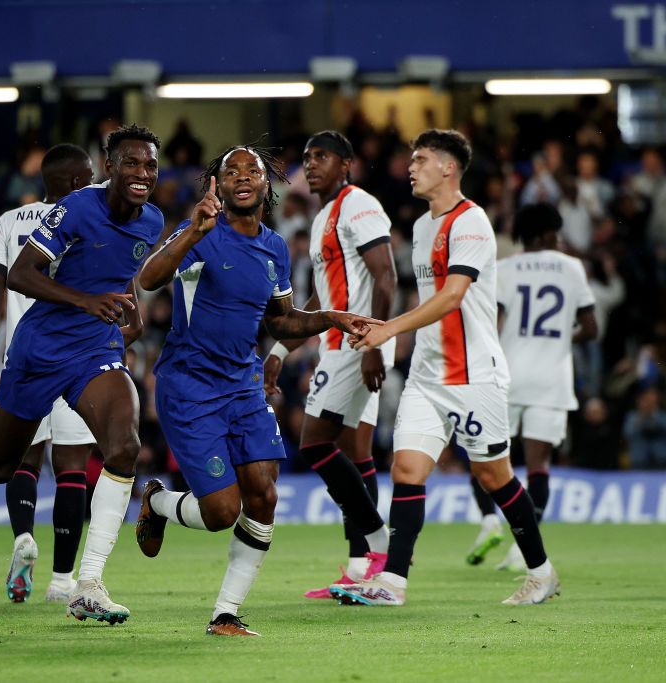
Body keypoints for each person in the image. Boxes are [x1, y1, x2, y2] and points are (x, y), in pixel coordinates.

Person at [0, 124, 167, 624]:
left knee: (123, 446)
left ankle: (87, 583)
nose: (142, 174)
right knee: (0, 464)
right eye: (132, 163)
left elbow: (116, 273)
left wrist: (127, 308)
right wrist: (86, 301)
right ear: (109, 167)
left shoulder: (152, 220)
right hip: (39, 349)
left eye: (151, 165)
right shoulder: (72, 209)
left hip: (94, 350)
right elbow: (23, 275)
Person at [133, 144, 378, 636]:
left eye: (253, 171)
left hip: (243, 384)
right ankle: (157, 500)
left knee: (263, 496)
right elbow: (148, 278)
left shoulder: (273, 248)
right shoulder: (199, 231)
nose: (243, 178)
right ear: (217, 185)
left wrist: (331, 317)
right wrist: (192, 232)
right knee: (223, 512)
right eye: (232, 172)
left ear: (268, 184)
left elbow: (283, 321)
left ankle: (226, 612)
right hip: (190, 385)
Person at [334, 129, 560, 607]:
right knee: (407, 468)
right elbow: (426, 301)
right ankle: (393, 583)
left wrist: (389, 329)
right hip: (427, 374)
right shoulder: (420, 228)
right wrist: (380, 327)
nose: (410, 168)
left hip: (474, 375)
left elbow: (453, 295)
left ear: (448, 167)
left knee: (493, 476)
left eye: (419, 159)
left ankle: (541, 573)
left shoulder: (472, 221)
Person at [261, 131, 395, 599]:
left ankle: (381, 544)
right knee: (357, 453)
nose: (311, 164)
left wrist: (374, 342)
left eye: (322, 156)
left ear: (347, 164)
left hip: (356, 342)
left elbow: (386, 274)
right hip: (345, 340)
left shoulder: (358, 204)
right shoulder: (322, 219)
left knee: (314, 444)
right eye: (306, 157)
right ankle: (364, 569)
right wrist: (280, 350)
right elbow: (324, 299)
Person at [0, 144, 110, 604]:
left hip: (23, 360)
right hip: (77, 360)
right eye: (90, 176)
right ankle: (62, 580)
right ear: (75, 183)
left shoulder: (10, 222)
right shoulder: (92, 221)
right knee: (72, 466)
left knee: (20, 460)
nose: (95, 183)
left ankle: (22, 539)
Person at [466, 203, 596, 570]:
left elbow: (492, 321)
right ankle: (523, 549)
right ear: (544, 234)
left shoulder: (505, 269)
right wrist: (559, 339)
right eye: (555, 232)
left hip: (506, 375)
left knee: (484, 459)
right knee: (539, 466)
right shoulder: (572, 268)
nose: (558, 239)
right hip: (552, 381)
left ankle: (489, 520)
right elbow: (592, 329)